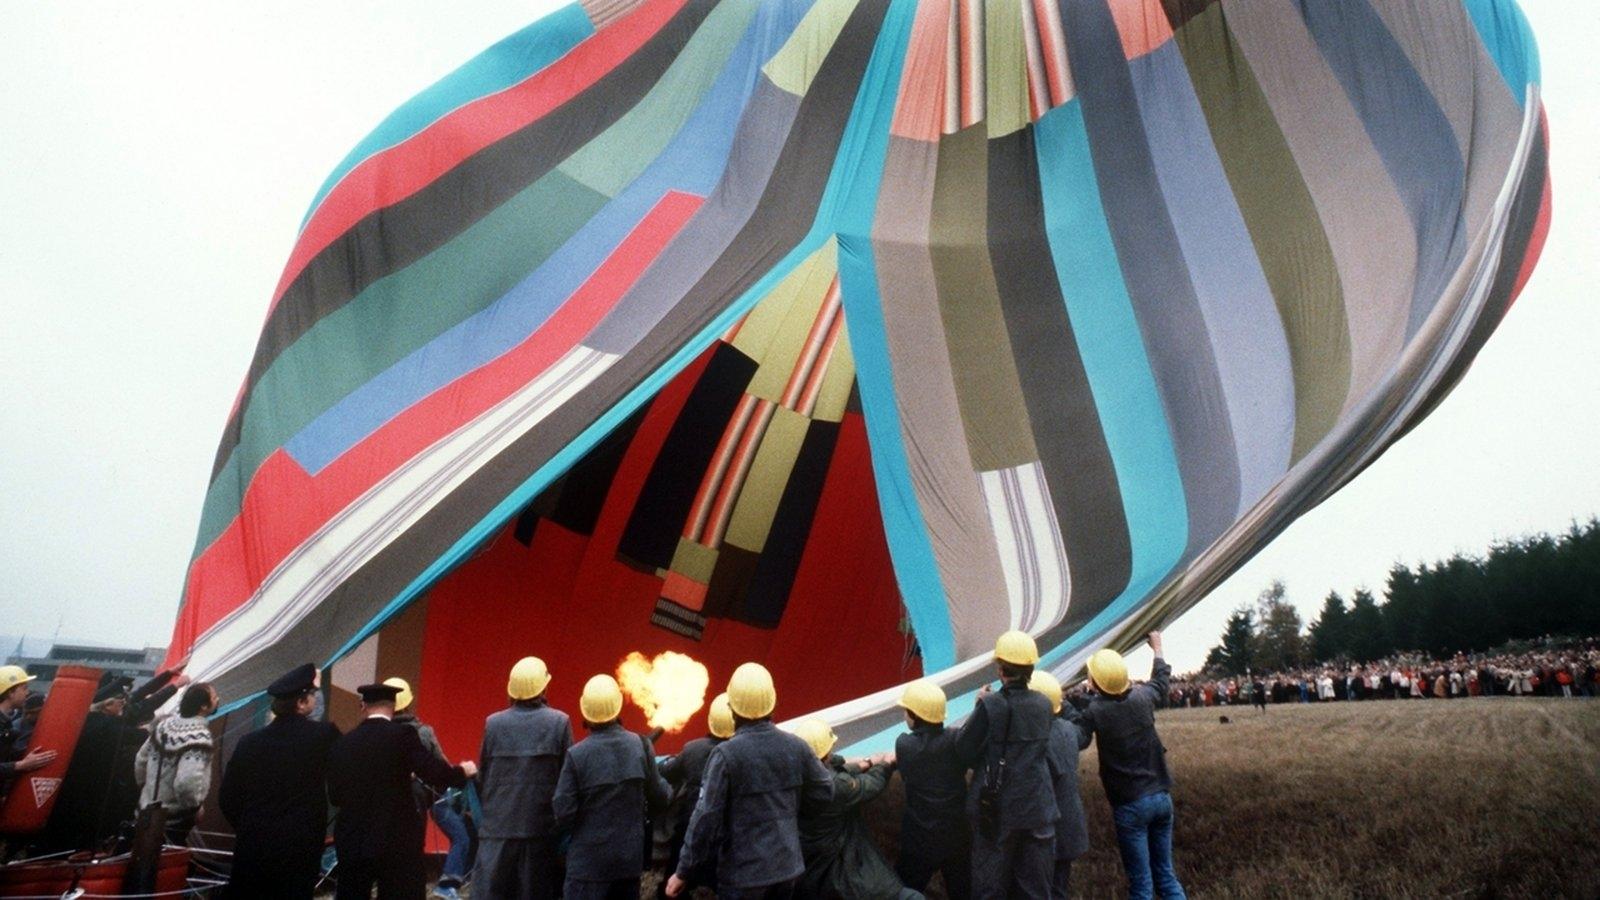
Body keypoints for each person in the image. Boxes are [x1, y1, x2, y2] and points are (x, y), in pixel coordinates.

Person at [667, 662, 833, 900]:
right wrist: (789, 817)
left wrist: (683, 871)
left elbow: (705, 817)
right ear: (772, 703)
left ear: (732, 708)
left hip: (743, 876)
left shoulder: (725, 755)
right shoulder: (797, 746)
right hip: (787, 869)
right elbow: (825, 792)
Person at [326, 681, 476, 900]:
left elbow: (336, 796)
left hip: (353, 839)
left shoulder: (343, 743)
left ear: (362, 706)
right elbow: (435, 773)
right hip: (396, 840)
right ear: (393, 706)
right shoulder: (404, 736)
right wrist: (462, 772)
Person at [1070, 632, 1186, 900]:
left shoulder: (1095, 711)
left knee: (1142, 884)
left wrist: (1064, 702)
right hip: (1161, 796)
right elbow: (1160, 681)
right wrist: (1157, 648)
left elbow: (1078, 737)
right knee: (1166, 876)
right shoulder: (1143, 697)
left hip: (1131, 804)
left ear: (1095, 682)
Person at [218, 663, 342, 899]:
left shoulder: (248, 742)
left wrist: (248, 826)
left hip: (253, 844)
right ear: (302, 702)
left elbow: (228, 797)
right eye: (313, 695)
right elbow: (344, 777)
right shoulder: (324, 736)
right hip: (300, 846)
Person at [955, 631, 1059, 900]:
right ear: (1030, 668)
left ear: (1000, 668)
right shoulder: (1045, 704)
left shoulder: (991, 705)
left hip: (998, 808)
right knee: (1035, 888)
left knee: (989, 886)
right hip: (1038, 805)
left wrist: (979, 706)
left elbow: (964, 751)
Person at [552, 674, 671, 899]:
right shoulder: (641, 746)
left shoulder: (576, 755)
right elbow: (661, 796)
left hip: (587, 868)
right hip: (627, 865)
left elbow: (562, 813)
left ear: (586, 713)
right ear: (617, 709)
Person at [474, 656, 571, 900]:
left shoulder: (493, 723)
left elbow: (482, 773)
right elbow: (567, 781)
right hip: (539, 831)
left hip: (496, 831)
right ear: (544, 687)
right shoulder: (559, 722)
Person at [791, 717, 920, 900]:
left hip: (810, 876)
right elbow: (869, 785)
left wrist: (865, 762)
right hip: (841, 876)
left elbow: (831, 768)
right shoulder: (834, 787)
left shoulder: (793, 777)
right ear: (826, 754)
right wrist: (884, 765)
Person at [384, 678, 473, 900]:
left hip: (392, 805)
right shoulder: (422, 732)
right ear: (408, 702)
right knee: (462, 837)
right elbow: (440, 764)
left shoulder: (382, 733)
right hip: (431, 797)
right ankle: (448, 884)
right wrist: (461, 773)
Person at [892, 679, 970, 900]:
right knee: (962, 891)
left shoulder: (904, 744)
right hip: (956, 834)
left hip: (919, 837)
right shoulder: (955, 740)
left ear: (915, 715)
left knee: (905, 890)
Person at [659, 692, 735, 896]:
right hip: (727, 840)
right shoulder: (740, 753)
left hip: (689, 831)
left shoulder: (692, 749)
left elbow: (666, 772)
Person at [135, 681, 218, 845]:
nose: (217, 699)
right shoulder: (199, 738)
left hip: (144, 812)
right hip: (172, 821)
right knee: (166, 865)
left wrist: (146, 789)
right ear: (203, 706)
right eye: (214, 697)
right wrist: (194, 807)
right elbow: (186, 783)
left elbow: (140, 760)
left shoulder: (163, 726)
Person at [1029, 672, 1088, 900]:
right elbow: (1081, 728)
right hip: (1068, 827)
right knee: (1059, 889)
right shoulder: (1069, 732)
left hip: (1042, 830)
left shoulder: (1031, 737)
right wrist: (1061, 702)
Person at [0, 665, 57, 797]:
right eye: (24, 688)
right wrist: (21, 765)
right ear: (10, 692)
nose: (27, 692)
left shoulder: (7, 722)